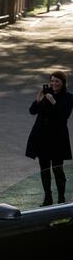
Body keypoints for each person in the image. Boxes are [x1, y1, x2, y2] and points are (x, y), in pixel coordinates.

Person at [26, 71, 73, 205]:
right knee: (44, 169)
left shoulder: (69, 97)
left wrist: (54, 102)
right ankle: (48, 198)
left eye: (57, 81)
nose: (53, 84)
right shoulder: (46, 95)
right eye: (52, 81)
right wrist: (38, 99)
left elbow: (65, 115)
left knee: (58, 169)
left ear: (63, 83)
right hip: (42, 138)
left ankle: (61, 198)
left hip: (58, 139)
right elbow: (32, 111)